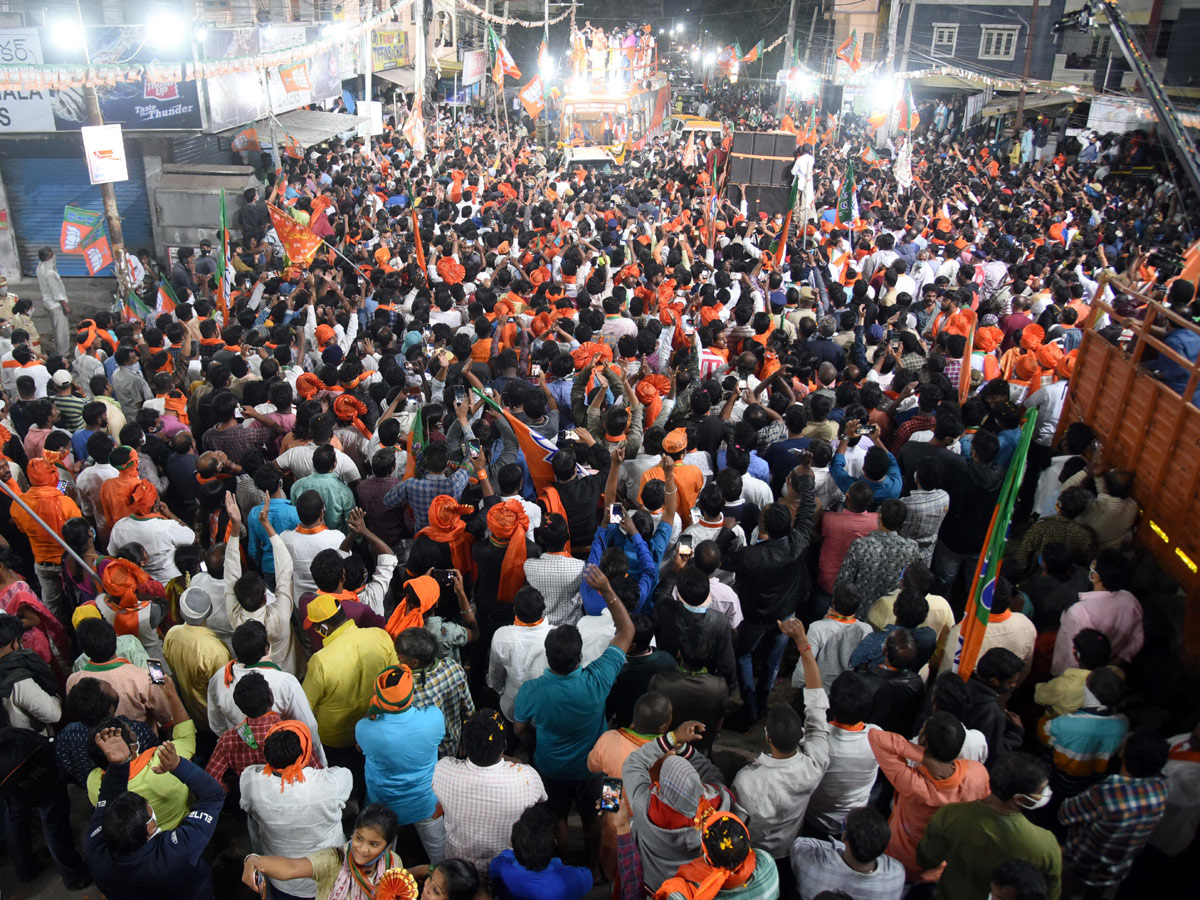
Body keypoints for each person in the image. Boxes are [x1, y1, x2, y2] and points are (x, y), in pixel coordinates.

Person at [513, 565, 634, 876]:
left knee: (558, 817)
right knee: (594, 817)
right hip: (594, 769)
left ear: (549, 657)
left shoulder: (533, 690)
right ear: (580, 657)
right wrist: (607, 590)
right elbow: (626, 632)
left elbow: (519, 728)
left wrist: (533, 743)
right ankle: (594, 867)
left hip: (551, 765)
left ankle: (563, 865)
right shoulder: (598, 679)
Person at [732, 616, 830, 865]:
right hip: (789, 849)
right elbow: (817, 703)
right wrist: (803, 644)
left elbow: (736, 825)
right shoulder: (815, 764)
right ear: (801, 733)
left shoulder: (747, 780)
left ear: (767, 735)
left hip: (753, 855)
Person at [84, 728, 224, 900]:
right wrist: (178, 765)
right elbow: (213, 796)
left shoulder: (95, 849)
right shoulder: (177, 850)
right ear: (150, 827)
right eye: (148, 806)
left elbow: (107, 796)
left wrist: (120, 764)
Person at [916, 752, 1062, 900]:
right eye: (1041, 791)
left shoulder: (949, 814)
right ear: (1019, 799)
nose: (1046, 794)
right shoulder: (1046, 845)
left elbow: (926, 860)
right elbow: (1050, 893)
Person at [868, 713, 991, 882]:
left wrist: (924, 757)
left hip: (902, 858)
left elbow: (876, 737)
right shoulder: (977, 772)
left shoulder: (915, 784)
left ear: (923, 741)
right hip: (942, 859)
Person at [239, 720, 352, 900]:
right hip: (331, 873)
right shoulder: (331, 783)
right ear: (305, 754)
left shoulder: (251, 783)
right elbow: (344, 774)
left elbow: (250, 796)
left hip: (283, 879)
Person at [1058, 727, 1169, 897]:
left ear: (1122, 754)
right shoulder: (1161, 788)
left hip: (1082, 867)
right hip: (1117, 869)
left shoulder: (1107, 793)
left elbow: (1065, 814)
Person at [434, 709, 547, 875]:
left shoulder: (443, 770)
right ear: (505, 746)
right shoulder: (526, 777)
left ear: (463, 747)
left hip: (459, 868)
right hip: (505, 868)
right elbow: (542, 800)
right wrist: (515, 760)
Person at [356, 665, 446, 864]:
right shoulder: (434, 718)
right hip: (425, 802)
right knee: (440, 854)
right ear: (411, 694)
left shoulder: (364, 729)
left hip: (383, 806)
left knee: (382, 862)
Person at [241, 803, 406, 900]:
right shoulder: (334, 859)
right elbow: (292, 867)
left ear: (387, 847)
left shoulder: (393, 862)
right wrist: (254, 860)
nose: (362, 849)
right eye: (359, 838)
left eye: (374, 844)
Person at [790, 806, 905, 900]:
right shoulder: (897, 874)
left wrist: (837, 846)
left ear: (844, 837)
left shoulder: (812, 862)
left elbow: (800, 844)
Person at [489, 801, 594, 900]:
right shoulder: (574, 879)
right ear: (555, 843)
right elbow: (588, 876)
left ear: (512, 843)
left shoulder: (499, 868)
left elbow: (504, 857)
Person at [161, 585, 231, 726]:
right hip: (213, 720)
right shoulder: (215, 650)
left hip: (188, 709)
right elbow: (224, 692)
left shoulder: (172, 634)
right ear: (209, 611)